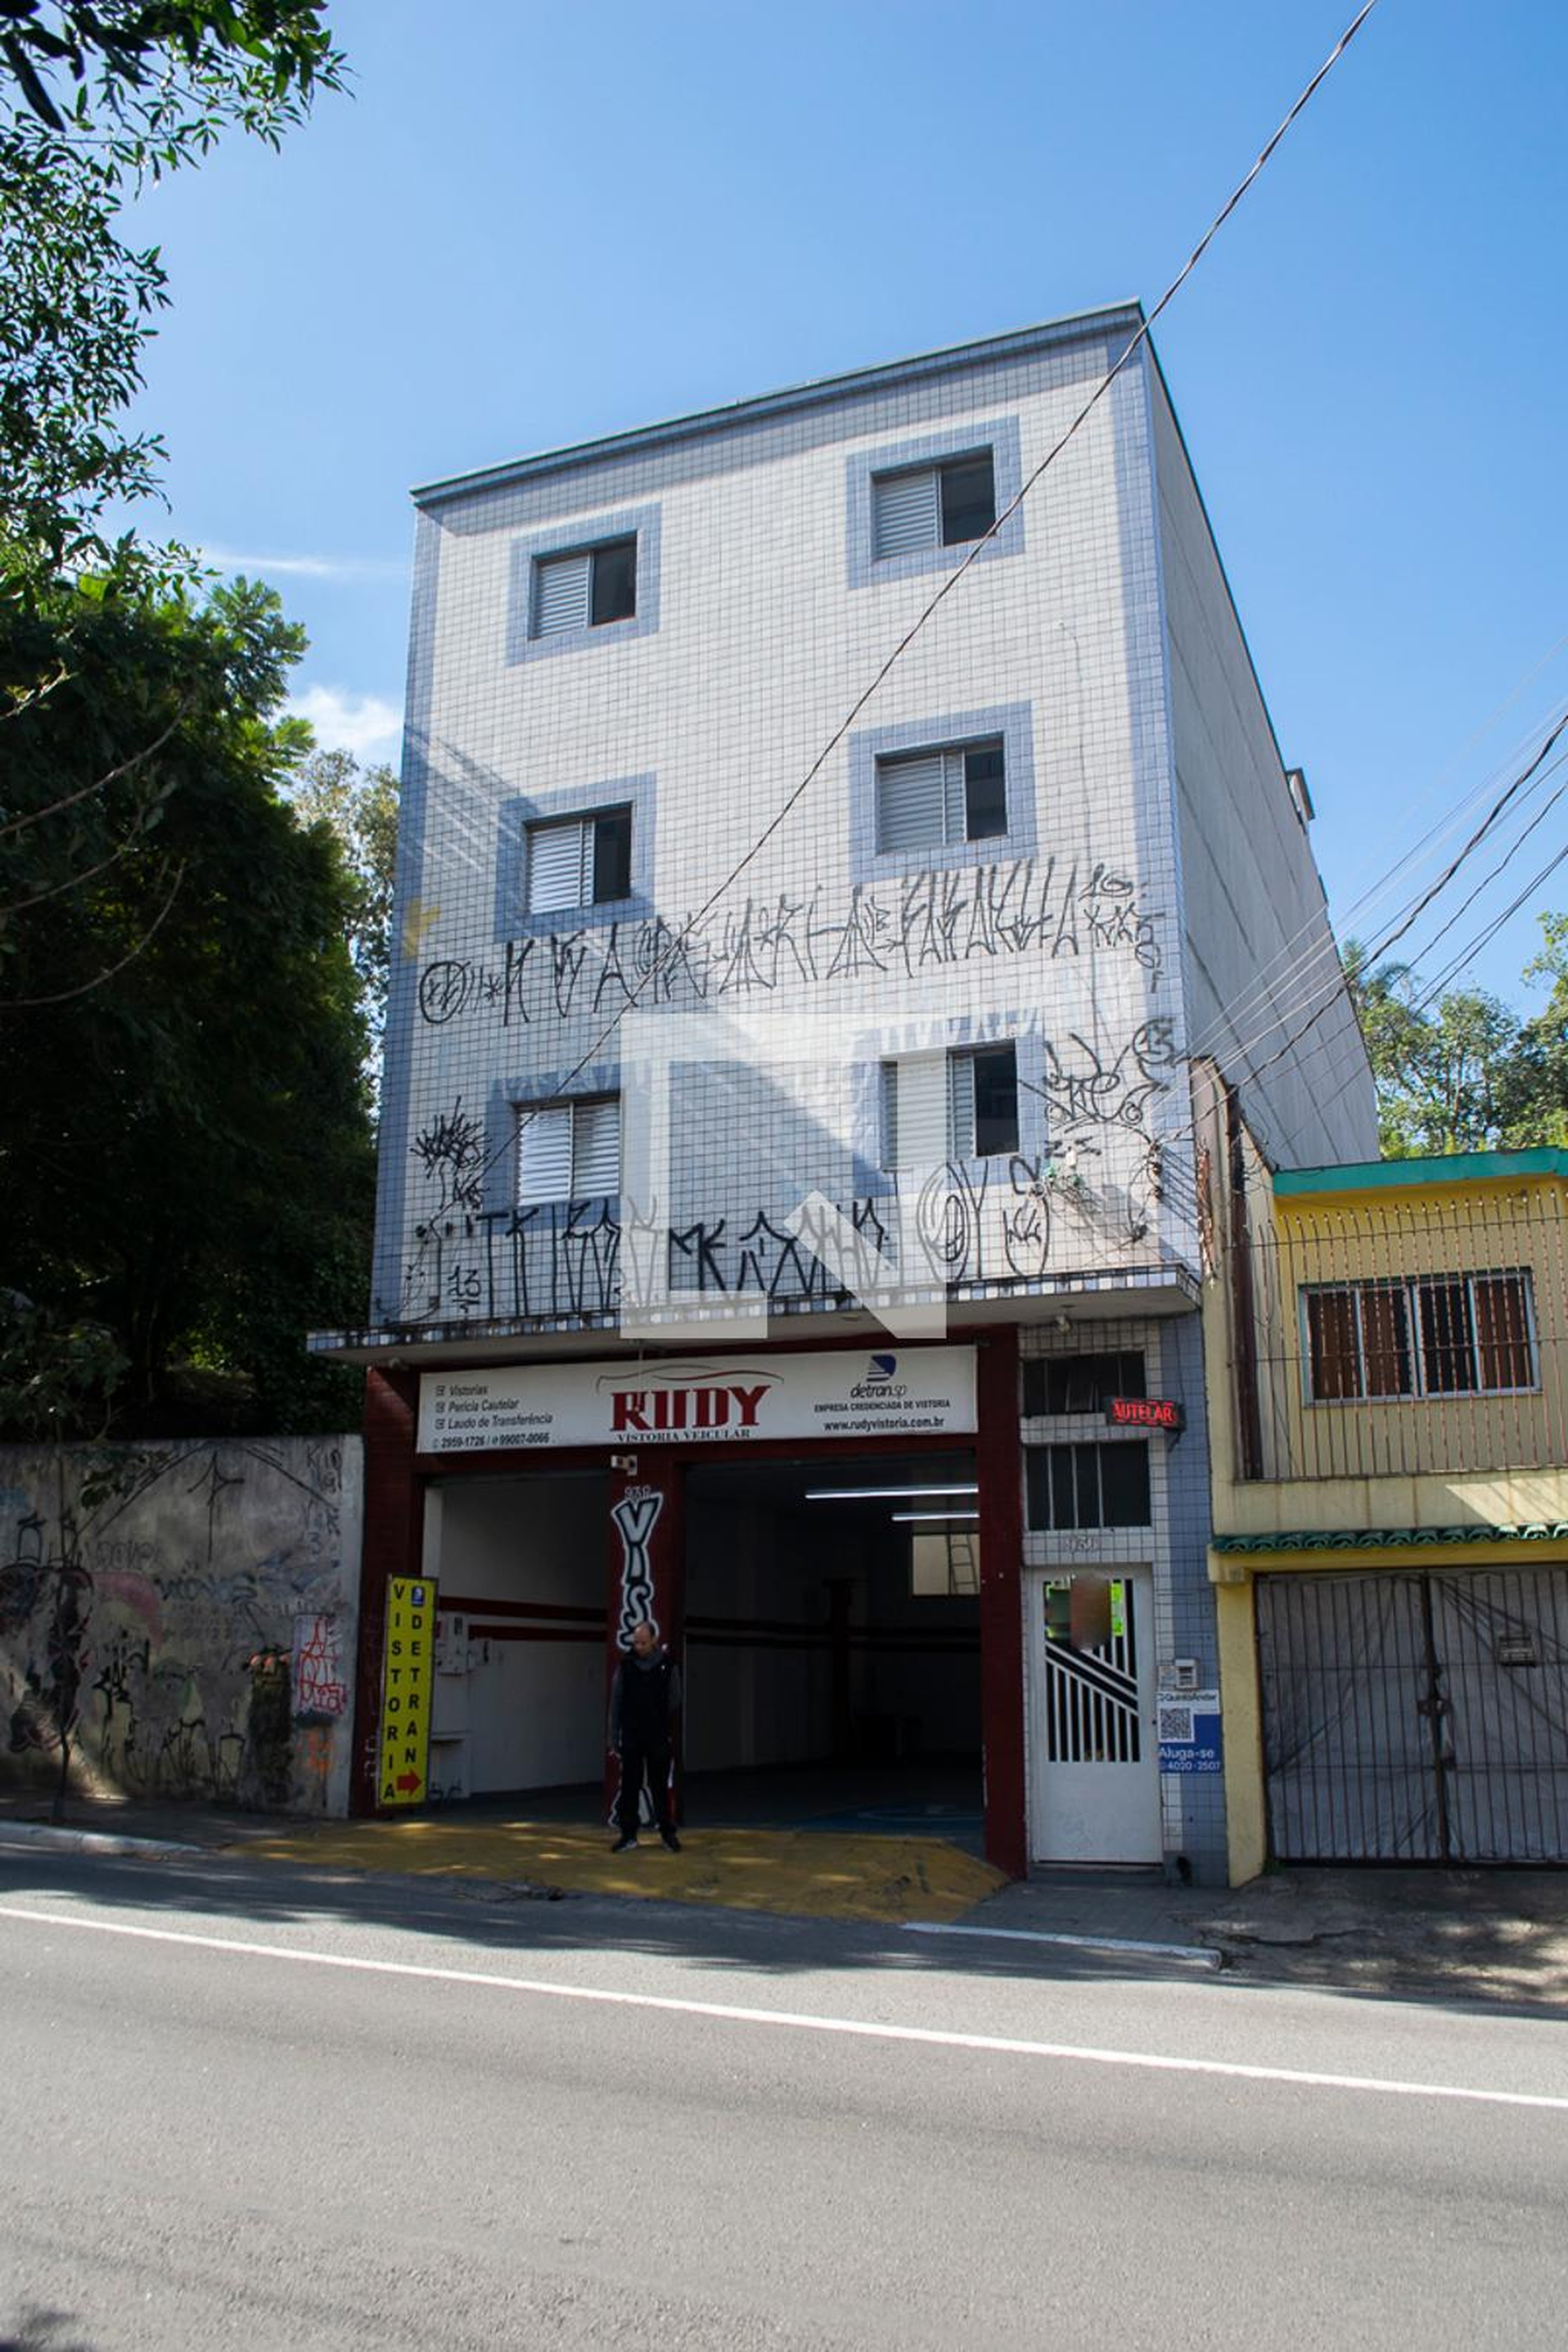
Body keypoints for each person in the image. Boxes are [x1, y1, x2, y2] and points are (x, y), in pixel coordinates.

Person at [608, 1620, 683, 1853]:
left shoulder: (668, 1666)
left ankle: (667, 1833)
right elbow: (616, 1701)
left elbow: (675, 1699)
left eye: (643, 1642)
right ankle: (629, 1834)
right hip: (632, 1734)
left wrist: (656, 1715)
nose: (638, 1647)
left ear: (653, 1641)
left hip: (657, 1734)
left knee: (659, 1785)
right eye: (636, 1642)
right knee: (630, 1785)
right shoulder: (627, 1666)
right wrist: (614, 1736)